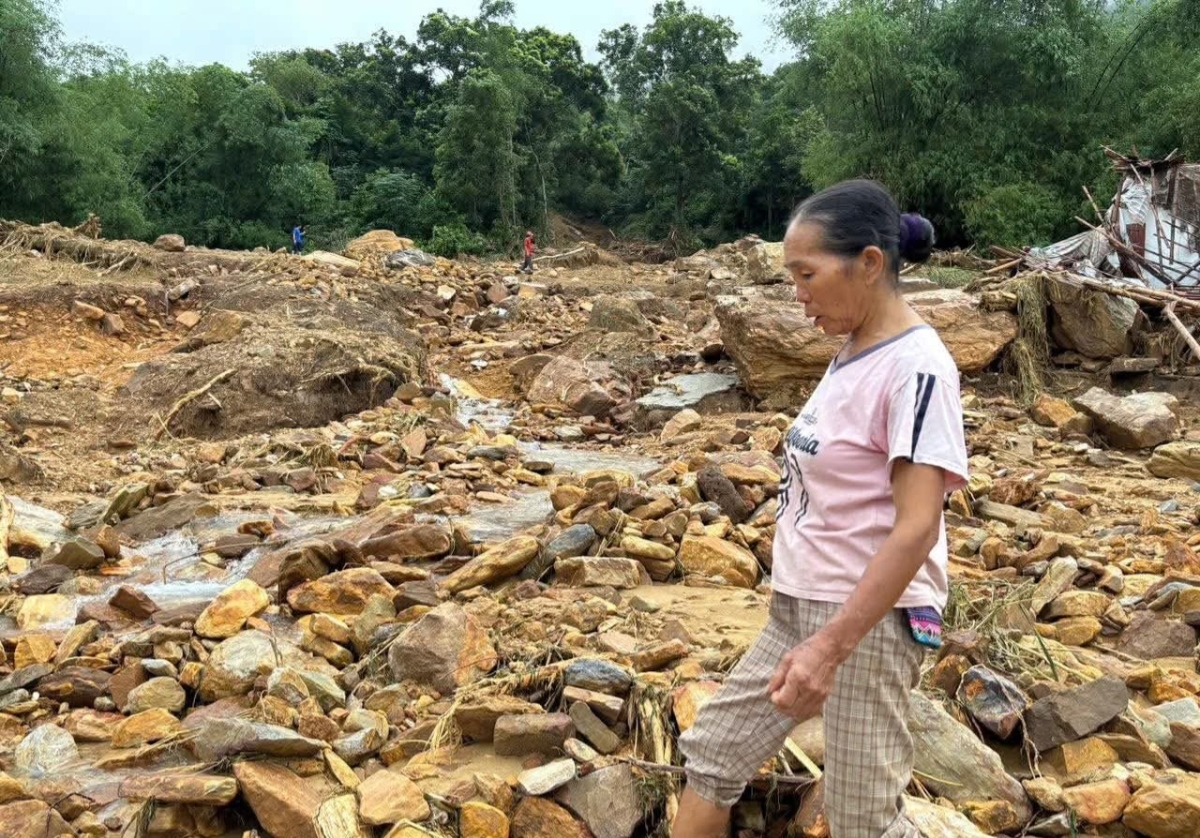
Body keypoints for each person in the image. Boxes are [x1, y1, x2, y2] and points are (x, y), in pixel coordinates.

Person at [672, 179, 968, 838]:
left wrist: (832, 647)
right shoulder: (853, 349)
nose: (797, 293)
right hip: (800, 608)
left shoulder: (917, 369)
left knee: (865, 821)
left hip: (868, 621)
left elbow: (918, 525)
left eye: (806, 274)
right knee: (712, 756)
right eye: (790, 277)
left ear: (868, 263)